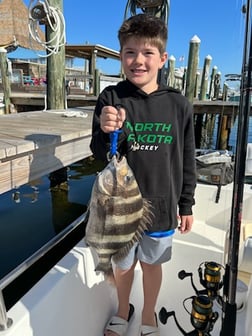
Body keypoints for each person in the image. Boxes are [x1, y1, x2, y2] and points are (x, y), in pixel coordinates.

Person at [90, 13, 196, 336]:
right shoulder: (111, 98)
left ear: (162, 58)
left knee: (152, 265)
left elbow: (187, 156)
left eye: (148, 53)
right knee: (123, 267)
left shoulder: (178, 104)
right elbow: (99, 151)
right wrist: (108, 127)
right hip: (120, 209)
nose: (138, 60)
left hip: (162, 207)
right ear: (121, 56)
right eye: (130, 52)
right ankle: (124, 312)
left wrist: (187, 203)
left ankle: (148, 316)